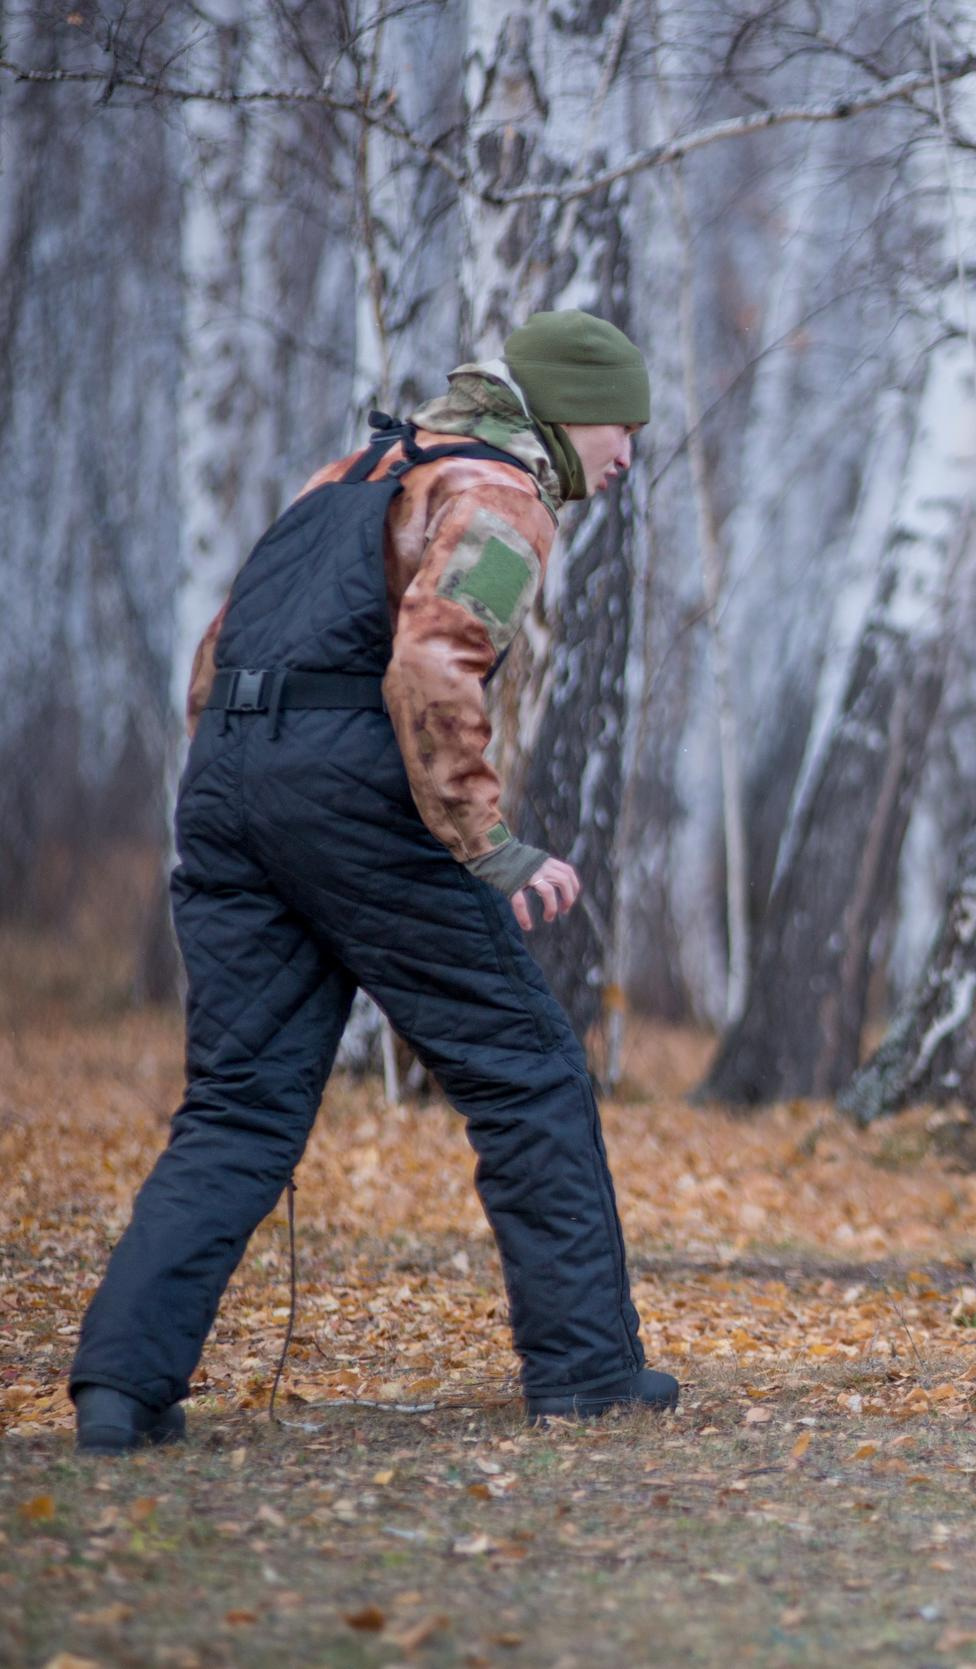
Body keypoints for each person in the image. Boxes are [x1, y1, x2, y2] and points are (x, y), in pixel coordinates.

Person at [69, 310, 677, 1454]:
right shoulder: (497, 495)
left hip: (226, 783)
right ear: (556, 411)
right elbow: (434, 657)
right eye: (620, 425)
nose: (628, 453)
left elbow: (219, 648)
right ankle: (588, 1372)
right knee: (529, 1070)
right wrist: (483, 836)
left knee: (240, 1104)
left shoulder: (348, 472)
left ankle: (120, 1389)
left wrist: (251, 799)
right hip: (351, 789)